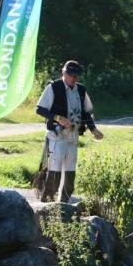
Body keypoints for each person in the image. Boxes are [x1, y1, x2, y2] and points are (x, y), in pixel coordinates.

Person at [35, 60, 104, 203]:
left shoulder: (81, 90)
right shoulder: (53, 87)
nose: (74, 78)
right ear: (64, 73)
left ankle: (63, 206)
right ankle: (46, 206)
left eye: (76, 76)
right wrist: (57, 118)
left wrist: (93, 129)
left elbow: (86, 113)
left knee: (70, 176)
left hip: (73, 138)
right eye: (71, 75)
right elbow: (39, 109)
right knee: (54, 174)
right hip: (57, 137)